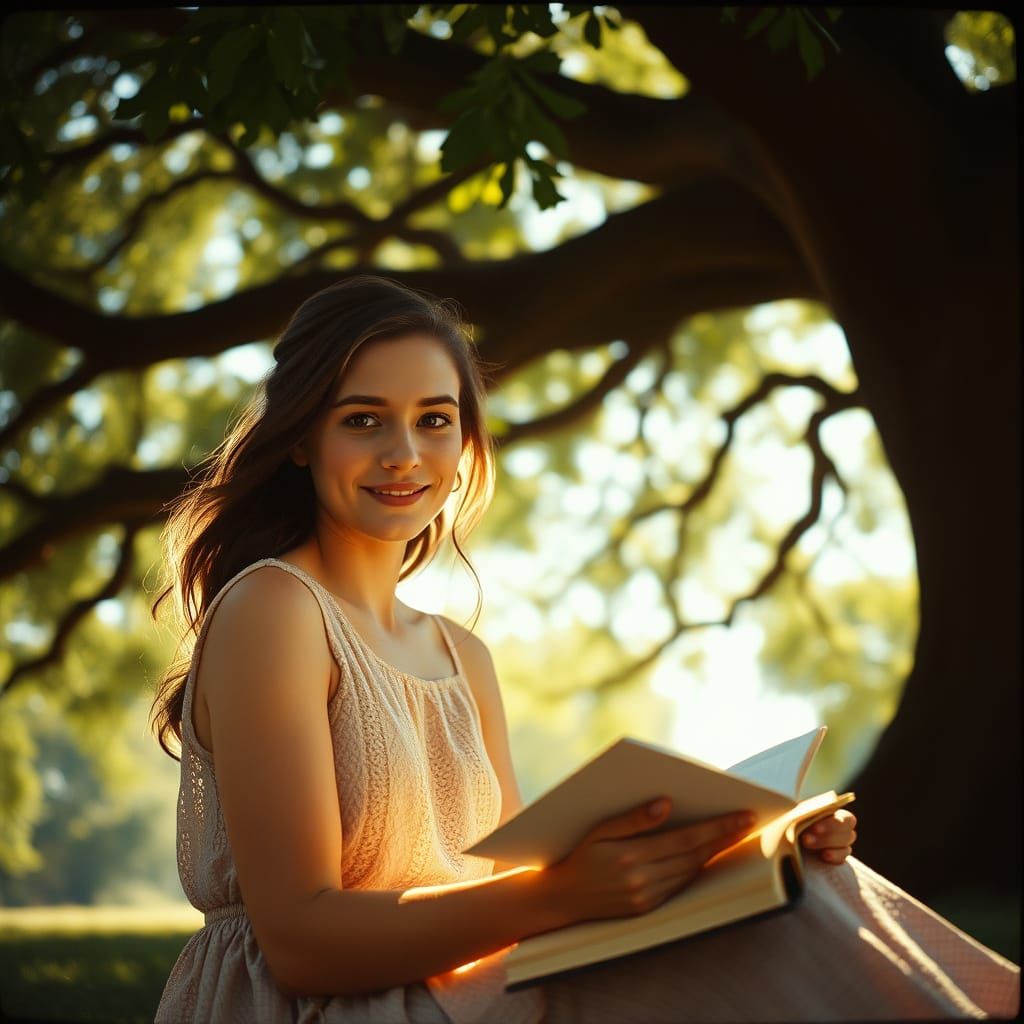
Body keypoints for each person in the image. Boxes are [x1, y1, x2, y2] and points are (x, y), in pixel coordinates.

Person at [150, 275, 1019, 1023]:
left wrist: (739, 852)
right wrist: (566, 890)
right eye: (365, 419)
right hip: (328, 1006)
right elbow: (302, 941)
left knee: (800, 891)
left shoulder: (459, 654)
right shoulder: (275, 609)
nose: (405, 454)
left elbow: (511, 891)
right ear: (302, 436)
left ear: (465, 441)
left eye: (436, 419)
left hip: (459, 988)